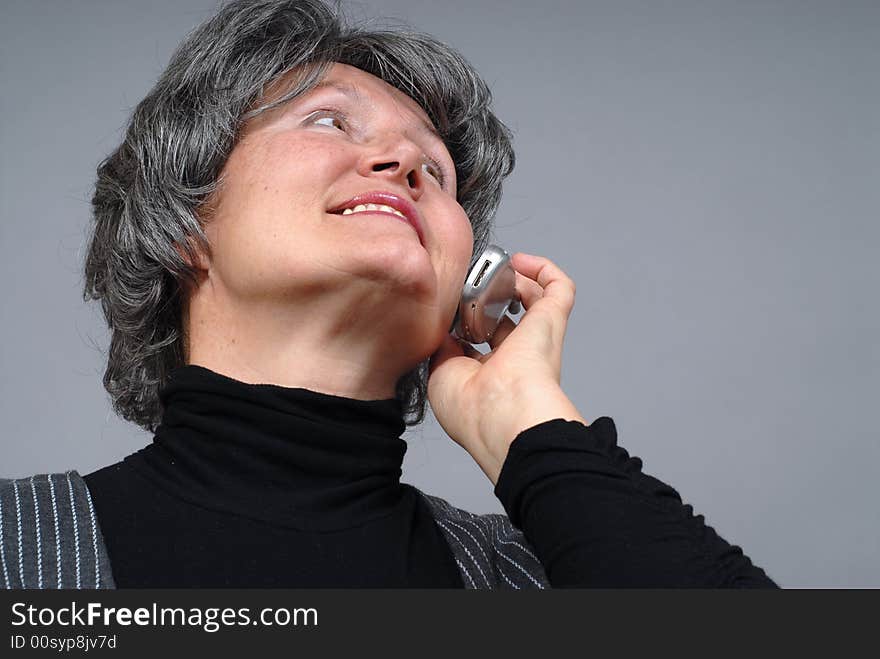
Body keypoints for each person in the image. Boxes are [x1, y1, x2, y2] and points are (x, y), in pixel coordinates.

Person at [0, 0, 777, 589]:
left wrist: (530, 427)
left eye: (433, 171)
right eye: (331, 121)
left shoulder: (534, 582)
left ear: (465, 290)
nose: (402, 159)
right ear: (182, 222)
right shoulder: (18, 550)